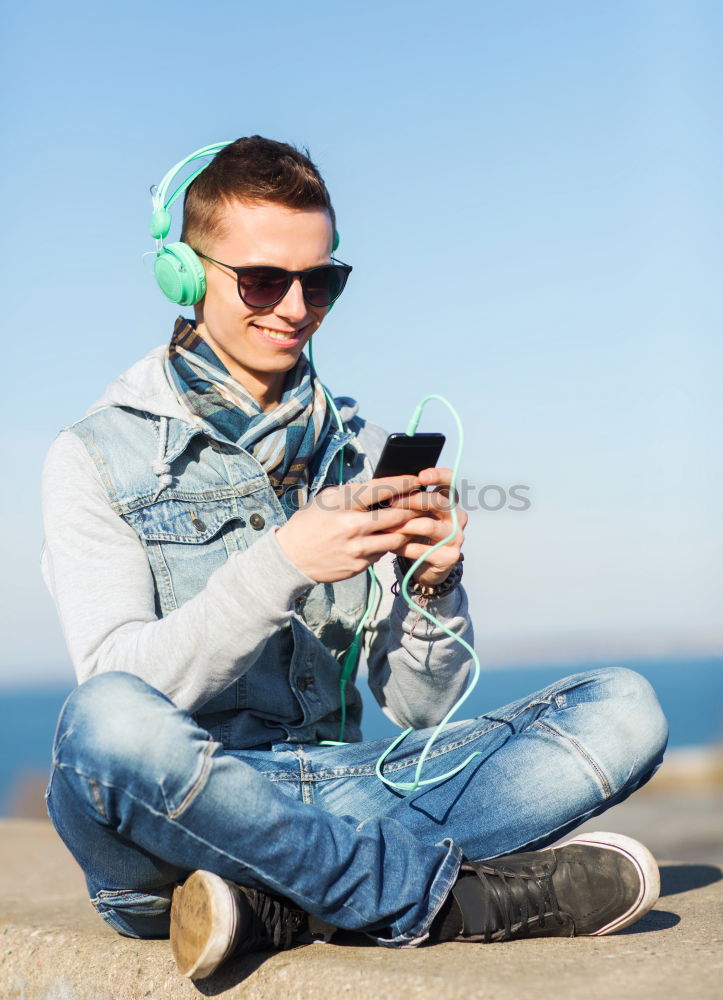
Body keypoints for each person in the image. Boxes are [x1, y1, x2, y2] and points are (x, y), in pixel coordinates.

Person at [40, 136, 669, 980]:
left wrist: (432, 589)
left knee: (624, 708)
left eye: (321, 281)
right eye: (263, 280)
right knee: (101, 721)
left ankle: (278, 905)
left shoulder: (363, 452)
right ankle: (444, 902)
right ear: (183, 276)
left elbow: (418, 709)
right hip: (176, 821)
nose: (295, 307)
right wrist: (283, 563)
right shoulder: (92, 455)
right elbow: (124, 686)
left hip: (345, 788)